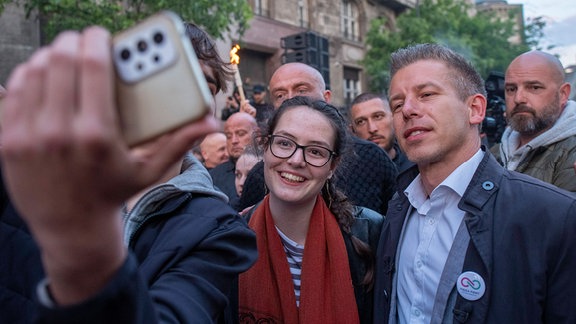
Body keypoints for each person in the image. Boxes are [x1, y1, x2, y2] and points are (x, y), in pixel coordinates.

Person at [0, 22, 257, 323]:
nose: (179, 96)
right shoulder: (32, 174)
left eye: (202, 85)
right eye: (163, 79)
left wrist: (87, 243)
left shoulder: (220, 230)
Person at [373, 43, 576, 323]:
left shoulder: (554, 215)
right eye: (397, 104)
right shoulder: (397, 208)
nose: (407, 110)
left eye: (427, 94)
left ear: (475, 109)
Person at [238, 96, 383, 324]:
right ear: (266, 147)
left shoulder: (370, 235)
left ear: (332, 167)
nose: (296, 160)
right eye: (284, 143)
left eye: (316, 151)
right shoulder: (228, 239)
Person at [237, 62, 398, 214]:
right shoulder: (260, 176)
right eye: (280, 95)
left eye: (301, 90)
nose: (291, 100)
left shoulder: (373, 159)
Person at [492, 50, 576, 191]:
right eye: (511, 89)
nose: (518, 98)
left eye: (534, 87)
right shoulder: (494, 151)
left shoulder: (571, 153)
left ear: (563, 94)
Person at [349, 92, 413, 173]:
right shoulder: (347, 175)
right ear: (353, 130)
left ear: (393, 118)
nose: (372, 129)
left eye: (378, 116)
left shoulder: (417, 163)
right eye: (361, 122)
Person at [210, 112, 258, 207]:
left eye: (241, 134)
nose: (234, 141)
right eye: (228, 136)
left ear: (257, 134)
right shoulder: (213, 177)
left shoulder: (270, 170)